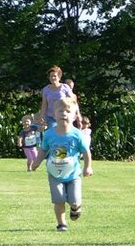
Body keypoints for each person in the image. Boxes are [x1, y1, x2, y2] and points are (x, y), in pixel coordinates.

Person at [30, 96, 92, 232]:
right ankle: (61, 224)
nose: (64, 114)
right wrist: (36, 163)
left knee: (74, 201)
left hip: (73, 174)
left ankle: (75, 208)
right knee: (58, 199)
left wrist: (88, 167)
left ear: (74, 116)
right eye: (60, 111)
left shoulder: (77, 135)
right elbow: (43, 150)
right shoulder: (49, 134)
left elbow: (86, 151)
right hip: (55, 173)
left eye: (68, 111)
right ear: (54, 114)